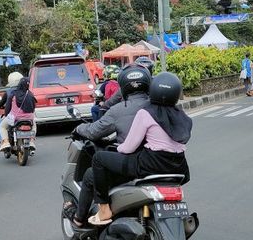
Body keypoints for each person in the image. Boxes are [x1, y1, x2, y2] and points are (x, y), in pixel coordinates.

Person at [88, 72, 192, 226]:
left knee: (99, 159)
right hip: (179, 167)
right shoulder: (183, 117)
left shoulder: (145, 112)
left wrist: (118, 148)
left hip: (151, 165)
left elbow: (129, 148)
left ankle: (104, 209)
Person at [63, 64, 152, 228]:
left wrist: (78, 128)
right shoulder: (160, 106)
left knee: (91, 174)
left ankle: (79, 219)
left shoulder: (118, 110)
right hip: (162, 163)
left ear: (123, 86)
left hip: (134, 165)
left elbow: (93, 132)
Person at [0, 77, 37, 152]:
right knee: (34, 126)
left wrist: (6, 115)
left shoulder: (13, 94)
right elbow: (33, 108)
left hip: (16, 118)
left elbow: (8, 108)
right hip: (29, 118)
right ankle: (32, 141)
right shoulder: (30, 94)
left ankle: (6, 142)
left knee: (2, 126)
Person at [0, 72, 23, 151]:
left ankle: (3, 142)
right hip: (26, 116)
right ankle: (31, 142)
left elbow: (4, 105)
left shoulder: (9, 93)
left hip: (12, 116)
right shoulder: (27, 91)